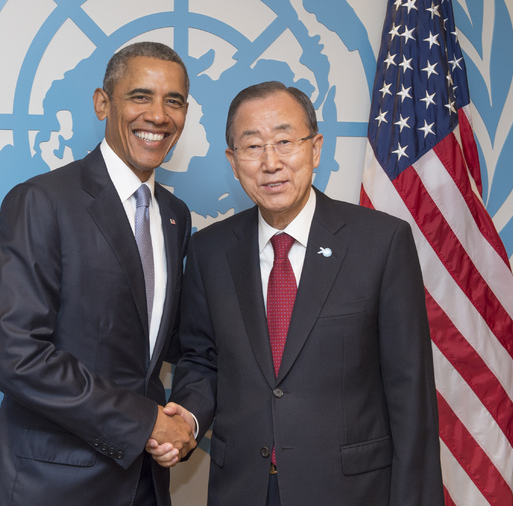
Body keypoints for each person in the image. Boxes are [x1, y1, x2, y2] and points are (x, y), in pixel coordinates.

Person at [157, 81, 444, 505]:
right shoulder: (209, 251)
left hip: (351, 491)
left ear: (315, 149)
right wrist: (189, 416)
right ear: (233, 163)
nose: (271, 163)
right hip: (242, 489)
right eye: (252, 147)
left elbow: (411, 395)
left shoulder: (380, 244)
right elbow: (203, 360)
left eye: (285, 142)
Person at [0, 41, 198, 506]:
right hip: (52, 485)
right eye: (141, 96)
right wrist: (144, 422)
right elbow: (20, 358)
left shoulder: (174, 215)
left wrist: (187, 420)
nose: (158, 115)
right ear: (103, 102)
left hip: (143, 484)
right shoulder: (42, 201)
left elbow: (162, 346)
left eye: (173, 101)